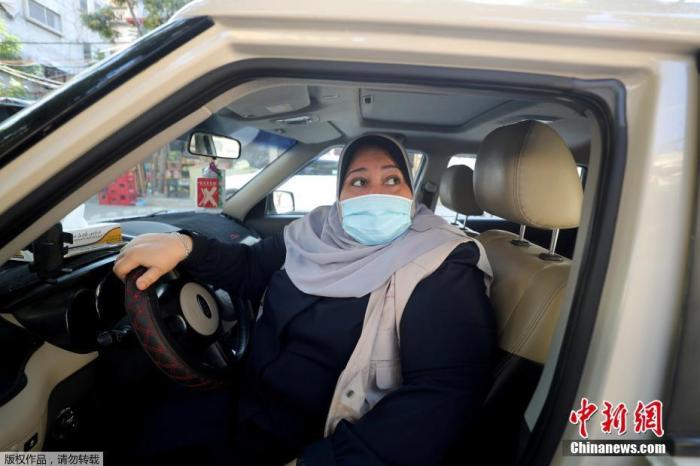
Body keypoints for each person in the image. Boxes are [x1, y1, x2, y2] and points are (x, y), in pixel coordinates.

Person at [113, 133, 497, 466]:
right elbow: (250, 267)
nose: (376, 193)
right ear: (340, 194)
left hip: (314, 441)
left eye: (392, 179)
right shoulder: (315, 230)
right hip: (243, 399)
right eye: (359, 181)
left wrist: (322, 461)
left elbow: (441, 395)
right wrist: (185, 247)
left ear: (411, 194)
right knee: (130, 439)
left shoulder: (441, 263)